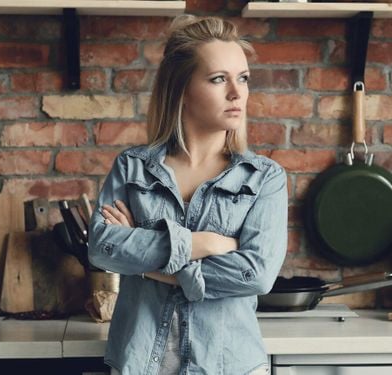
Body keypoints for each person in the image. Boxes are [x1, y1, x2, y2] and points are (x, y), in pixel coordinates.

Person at [88, 15, 288, 375]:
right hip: (140, 365)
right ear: (180, 89)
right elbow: (102, 246)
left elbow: (256, 274)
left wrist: (150, 267)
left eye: (243, 78)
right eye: (218, 79)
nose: (236, 92)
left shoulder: (264, 178)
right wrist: (207, 243)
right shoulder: (133, 168)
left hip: (231, 368)